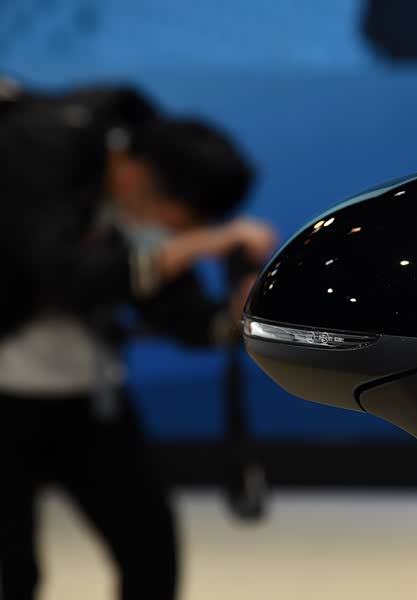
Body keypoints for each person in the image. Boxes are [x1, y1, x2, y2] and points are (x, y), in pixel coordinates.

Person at [0, 83, 276, 600]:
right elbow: (57, 275)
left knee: (150, 555)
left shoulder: (137, 183)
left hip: (89, 396)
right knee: (11, 572)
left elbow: (171, 306)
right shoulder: (39, 151)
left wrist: (232, 317)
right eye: (177, 225)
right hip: (6, 397)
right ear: (140, 175)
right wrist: (190, 248)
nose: (170, 236)